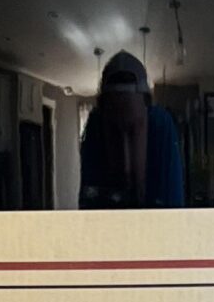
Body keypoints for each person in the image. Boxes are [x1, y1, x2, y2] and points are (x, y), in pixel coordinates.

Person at [78, 51, 186, 207]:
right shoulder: (93, 134)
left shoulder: (161, 127)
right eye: (114, 135)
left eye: (134, 131)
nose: (126, 165)